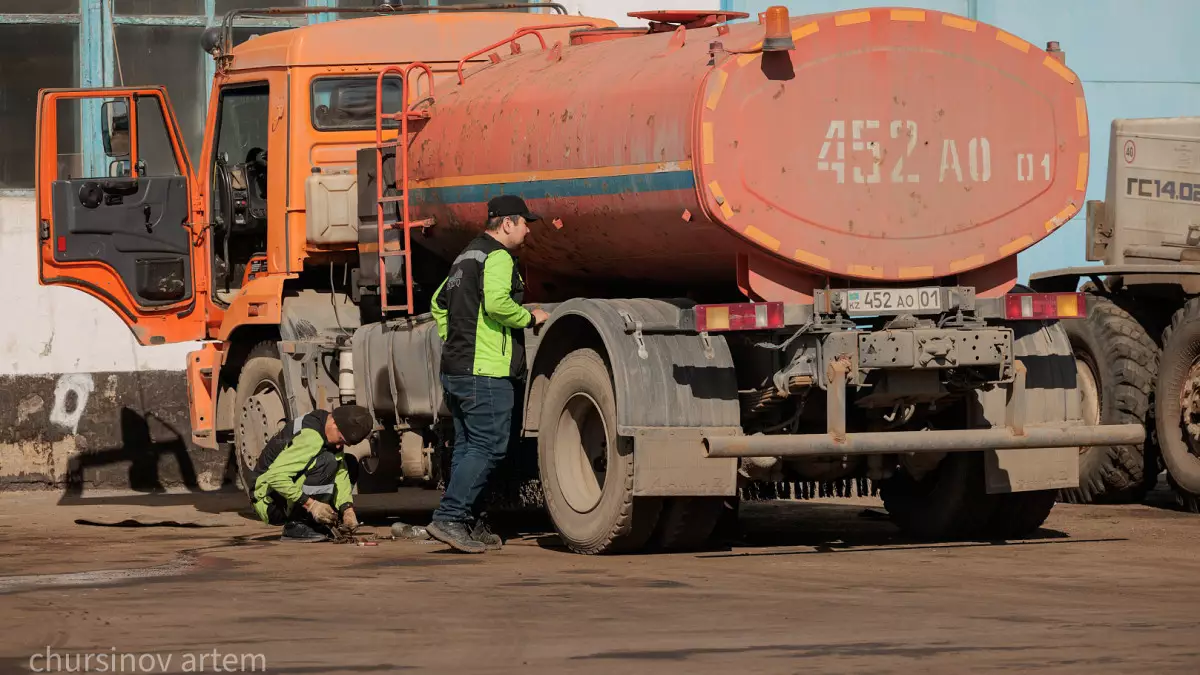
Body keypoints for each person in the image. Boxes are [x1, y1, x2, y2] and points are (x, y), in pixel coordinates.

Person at [427, 195, 550, 553]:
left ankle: (467, 521)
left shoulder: (466, 257)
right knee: (489, 447)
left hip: (458, 368)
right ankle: (450, 517)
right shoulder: (498, 257)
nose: (528, 230)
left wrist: (455, 337)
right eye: (524, 222)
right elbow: (497, 304)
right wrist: (529, 317)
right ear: (507, 223)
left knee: (468, 446)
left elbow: (438, 303)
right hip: (486, 371)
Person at [250, 405, 375, 542]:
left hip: (285, 496)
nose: (339, 446)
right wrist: (311, 505)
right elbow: (275, 477)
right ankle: (297, 525)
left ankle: (323, 519)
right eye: (341, 439)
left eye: (345, 443)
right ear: (334, 423)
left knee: (349, 463)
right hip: (270, 502)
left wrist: (347, 509)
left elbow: (340, 474)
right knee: (326, 461)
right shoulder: (310, 436)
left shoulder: (328, 428)